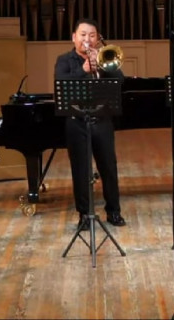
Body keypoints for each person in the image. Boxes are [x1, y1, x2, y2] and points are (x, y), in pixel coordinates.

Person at [54, 18, 126, 230]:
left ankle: (113, 211)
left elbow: (120, 80)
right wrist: (84, 70)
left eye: (92, 35)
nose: (87, 39)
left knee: (109, 167)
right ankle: (84, 214)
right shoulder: (64, 60)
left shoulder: (102, 57)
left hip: (102, 120)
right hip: (76, 122)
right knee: (81, 170)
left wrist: (102, 64)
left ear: (97, 38)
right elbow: (61, 83)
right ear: (74, 37)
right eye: (83, 35)